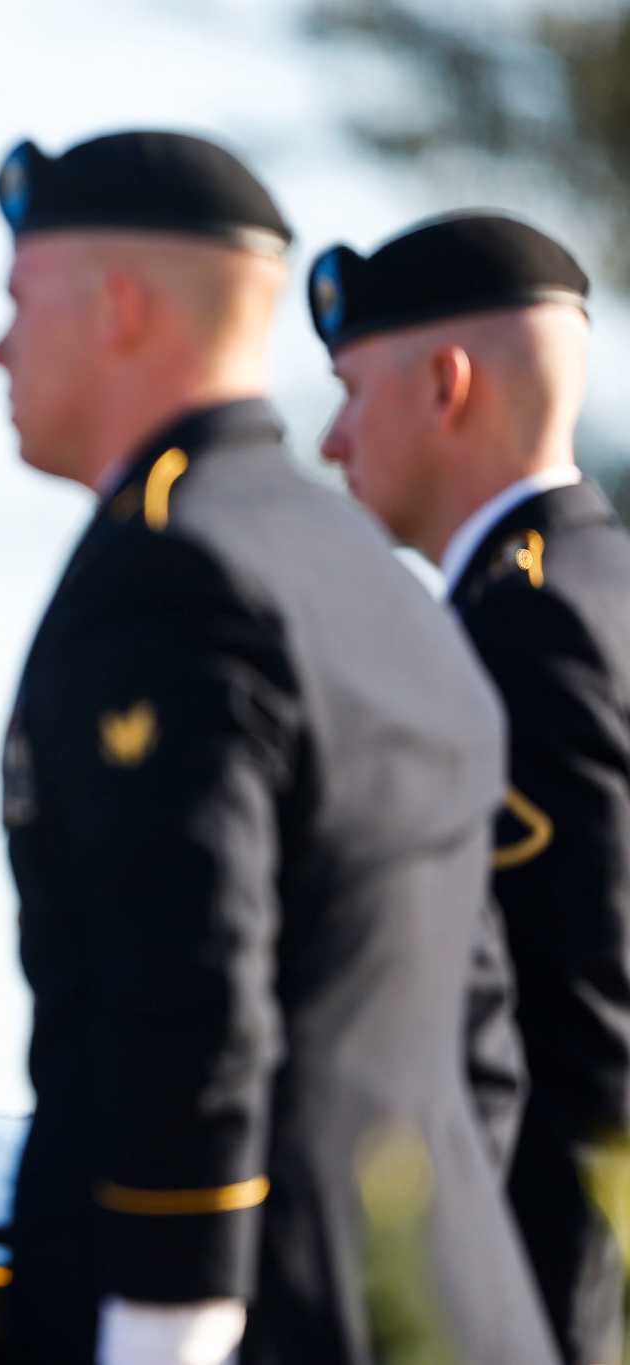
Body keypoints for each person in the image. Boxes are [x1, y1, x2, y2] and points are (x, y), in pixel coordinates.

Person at [0, 133, 555, 1365]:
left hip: (249, 1315)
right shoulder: (378, 580)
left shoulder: (168, 571)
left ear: (118, 310)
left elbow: (188, 987)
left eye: (17, 302)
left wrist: (161, 1327)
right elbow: (478, 1031)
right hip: (436, 1297)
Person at [313, 213, 626, 1365]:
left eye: (349, 391)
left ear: (444, 384)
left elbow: (579, 1024)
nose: (332, 442)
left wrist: (551, 1323)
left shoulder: (521, 628)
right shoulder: (593, 586)